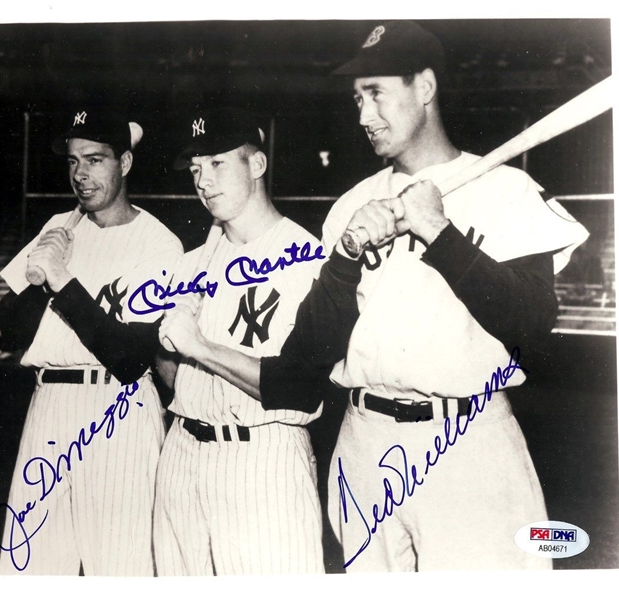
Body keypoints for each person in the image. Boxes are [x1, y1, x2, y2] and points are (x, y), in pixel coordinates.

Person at [161, 21, 590, 572]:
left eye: (377, 94)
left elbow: (534, 325)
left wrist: (440, 234)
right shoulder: (351, 205)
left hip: (466, 440)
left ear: (426, 88)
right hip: (364, 441)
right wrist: (343, 259)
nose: (364, 115)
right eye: (357, 99)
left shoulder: (507, 192)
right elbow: (308, 355)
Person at [0, 108, 183, 575]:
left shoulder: (158, 243)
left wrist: (60, 278)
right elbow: (10, 328)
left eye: (95, 160)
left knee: (120, 566)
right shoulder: (59, 225)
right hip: (49, 403)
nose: (80, 174)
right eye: (74, 161)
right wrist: (44, 273)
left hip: (118, 410)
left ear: (125, 163)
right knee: (30, 565)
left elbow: (126, 355)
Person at [151, 107, 328, 576]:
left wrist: (201, 348)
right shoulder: (191, 263)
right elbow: (165, 361)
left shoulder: (307, 260)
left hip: (263, 455)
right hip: (182, 449)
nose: (203, 181)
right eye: (194, 170)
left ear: (257, 165)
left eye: (216, 164)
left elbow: (300, 386)